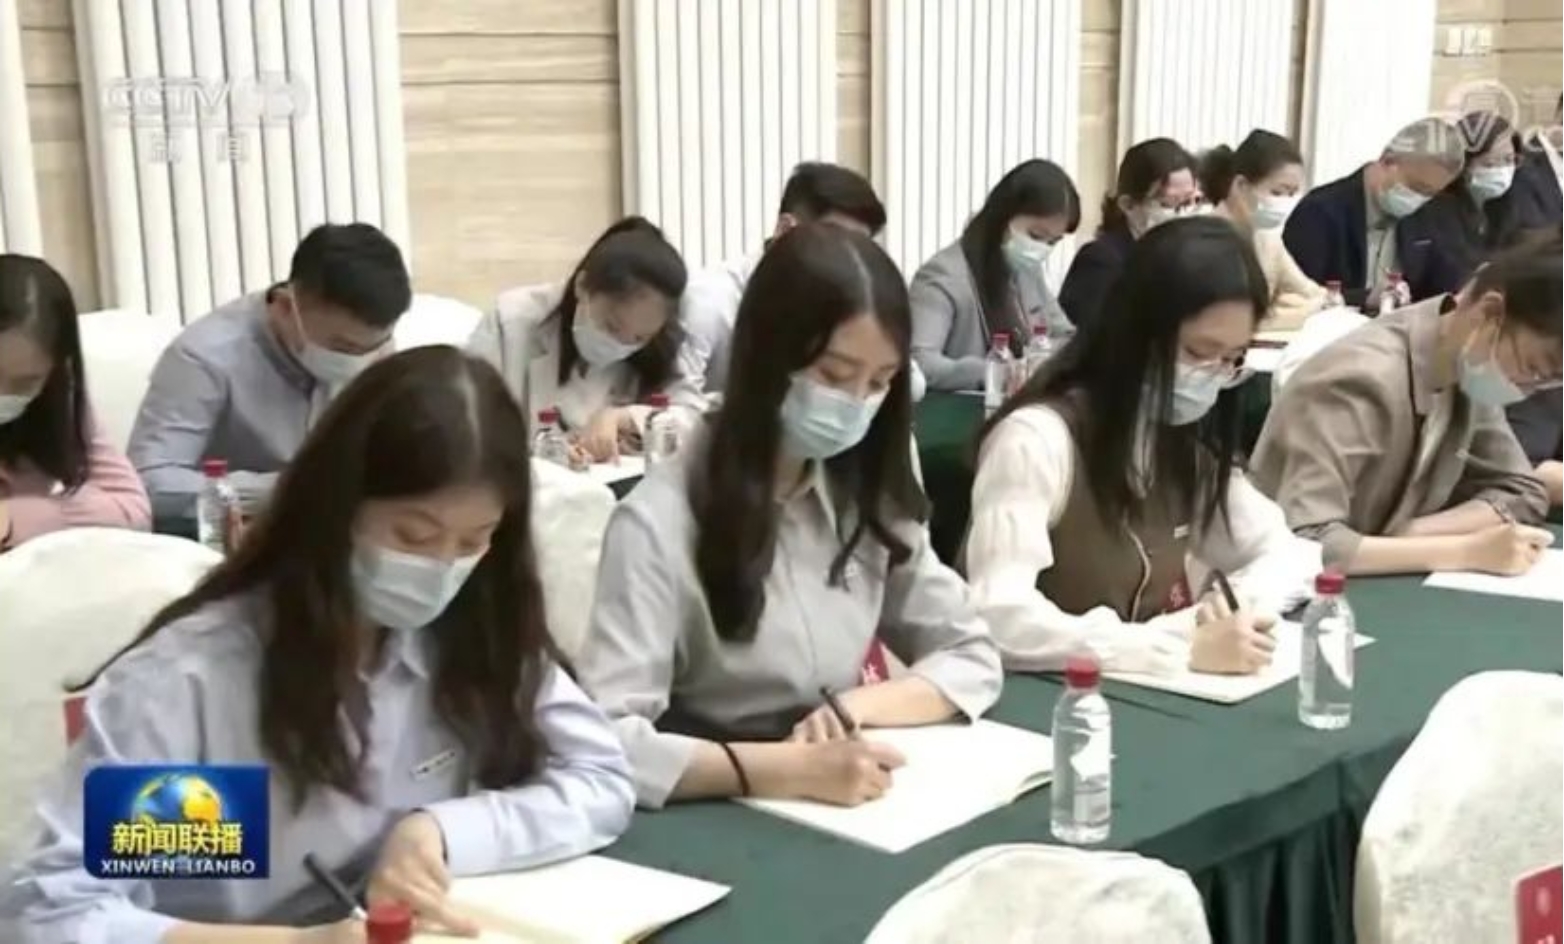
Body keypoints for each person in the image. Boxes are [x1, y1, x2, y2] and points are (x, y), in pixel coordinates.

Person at [5, 347, 634, 939]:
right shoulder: (198, 685)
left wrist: (435, 831)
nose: (443, 567)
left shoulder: (467, 631)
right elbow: (55, 912)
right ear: (335, 510)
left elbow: (598, 777)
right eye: (413, 537)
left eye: (473, 541)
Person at [578, 223, 1002, 810]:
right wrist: (782, 769)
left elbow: (971, 653)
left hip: (842, 785)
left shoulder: (864, 492)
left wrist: (855, 707)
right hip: (714, 805)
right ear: (766, 356)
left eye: (878, 383)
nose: (854, 403)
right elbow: (608, 743)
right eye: (833, 375)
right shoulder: (658, 522)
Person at [967, 217, 1319, 676]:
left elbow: (1292, 556)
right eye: (1198, 353)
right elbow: (999, 617)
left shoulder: (1179, 441)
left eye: (1231, 360)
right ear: (1135, 333)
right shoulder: (1035, 440)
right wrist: (1173, 645)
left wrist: (1227, 612)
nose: (1212, 375)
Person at [1252, 237, 1557, 576]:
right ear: (1488, 313)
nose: (1527, 389)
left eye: (1549, 382)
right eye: (1534, 368)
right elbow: (1304, 541)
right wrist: (1464, 551)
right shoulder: (1359, 379)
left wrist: (1414, 533)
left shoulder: (1464, 363)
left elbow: (1523, 491)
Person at [128, 223, 411, 525]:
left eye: (375, 346)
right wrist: (290, 489)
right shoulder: (204, 356)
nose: (359, 361)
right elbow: (149, 480)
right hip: (229, 531)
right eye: (343, 347)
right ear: (285, 308)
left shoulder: (373, 350)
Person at [468, 216, 700, 463]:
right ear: (582, 286)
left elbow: (697, 421)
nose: (620, 345)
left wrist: (626, 417)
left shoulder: (663, 340)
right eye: (612, 326)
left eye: (638, 338)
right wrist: (542, 456)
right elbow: (468, 432)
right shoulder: (510, 324)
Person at [679, 162, 890, 394]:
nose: (847, 260)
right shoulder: (709, 299)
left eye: (859, 248)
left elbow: (909, 382)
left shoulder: (848, 301)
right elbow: (676, 397)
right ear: (785, 229)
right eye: (833, 242)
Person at [0, 255, 150, 550]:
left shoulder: (58, 400)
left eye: (26, 382)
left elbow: (132, 510)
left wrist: (15, 518)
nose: (3, 394)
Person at [909, 160, 1080, 391]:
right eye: (1036, 235)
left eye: (1053, 242)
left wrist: (1043, 360)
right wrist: (996, 372)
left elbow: (1065, 336)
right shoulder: (943, 275)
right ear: (1003, 217)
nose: (1042, 249)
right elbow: (919, 363)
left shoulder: (1028, 270)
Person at [1283, 118, 1465, 311]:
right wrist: (1364, 297)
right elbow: (1295, 296)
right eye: (1416, 186)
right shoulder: (1320, 211)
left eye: (1429, 193)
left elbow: (1443, 287)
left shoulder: (1427, 216)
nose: (1418, 199)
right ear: (1387, 161)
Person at [1059, 138, 1200, 329]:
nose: (1182, 215)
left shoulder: (1187, 258)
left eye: (1190, 202)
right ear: (1128, 205)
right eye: (1168, 204)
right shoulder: (1100, 260)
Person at [1199, 129, 1327, 329]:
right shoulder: (1201, 238)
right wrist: (1298, 312)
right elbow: (1230, 320)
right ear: (1241, 185)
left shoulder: (1268, 238)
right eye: (1277, 192)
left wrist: (1309, 305)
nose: (1285, 203)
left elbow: (1317, 296)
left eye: (1292, 194)